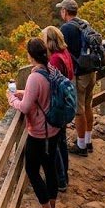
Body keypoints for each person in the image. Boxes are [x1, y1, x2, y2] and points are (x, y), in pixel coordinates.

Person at [8, 38, 62, 208]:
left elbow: (25, 107)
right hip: (54, 128)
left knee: (31, 170)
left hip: (40, 133)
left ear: (30, 55)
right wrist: (24, 93)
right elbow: (39, 95)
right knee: (49, 169)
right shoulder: (51, 70)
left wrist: (12, 99)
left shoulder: (35, 77)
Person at [56, 0, 95, 156]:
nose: (61, 12)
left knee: (79, 110)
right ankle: (88, 140)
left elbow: (59, 49)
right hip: (90, 70)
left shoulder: (66, 28)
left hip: (79, 73)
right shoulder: (84, 23)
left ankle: (81, 146)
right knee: (88, 105)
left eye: (61, 10)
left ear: (65, 11)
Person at [41, 26, 74, 191]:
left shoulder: (54, 59)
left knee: (55, 144)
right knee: (62, 142)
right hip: (65, 103)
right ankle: (64, 176)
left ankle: (60, 179)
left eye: (43, 39)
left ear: (49, 41)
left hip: (57, 106)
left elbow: (50, 83)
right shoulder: (65, 53)